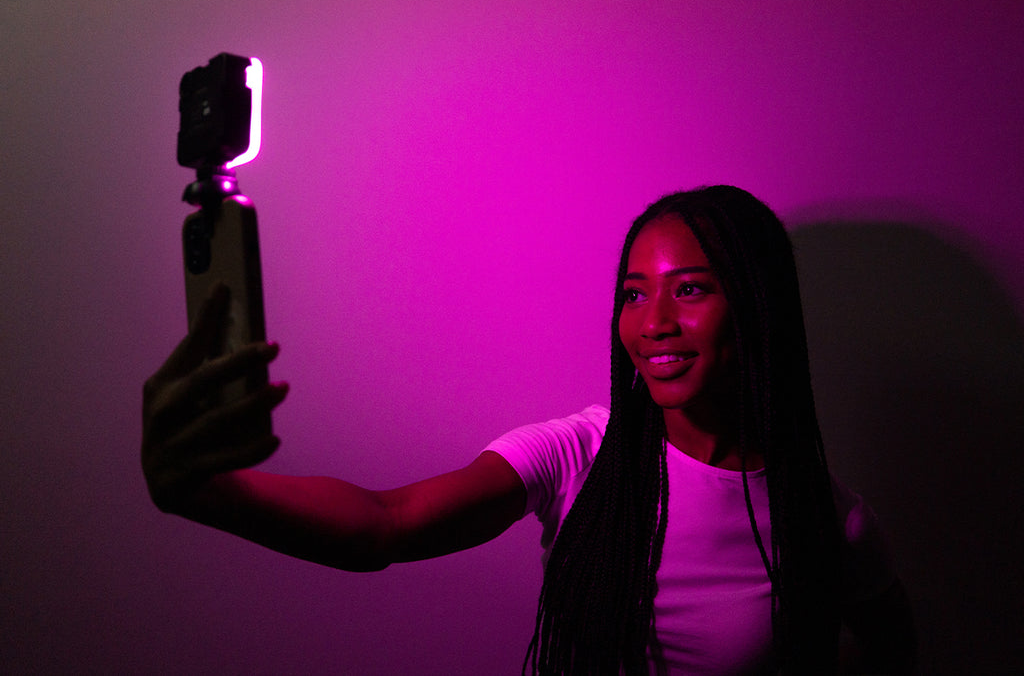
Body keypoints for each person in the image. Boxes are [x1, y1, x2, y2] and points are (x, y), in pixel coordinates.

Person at [142, 185, 915, 674]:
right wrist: (207, 492)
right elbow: (386, 523)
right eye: (635, 293)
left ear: (755, 306)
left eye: (691, 290)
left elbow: (892, 647)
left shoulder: (829, 518)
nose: (656, 323)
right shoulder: (580, 452)